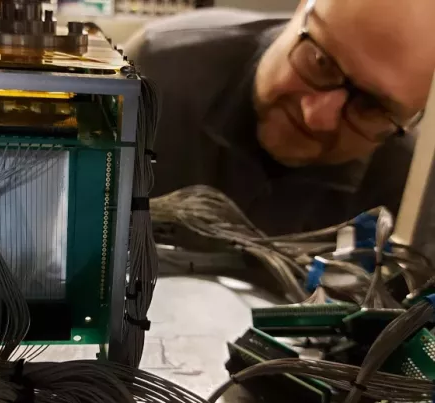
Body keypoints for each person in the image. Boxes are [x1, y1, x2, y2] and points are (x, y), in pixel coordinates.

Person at [125, 0, 435, 235]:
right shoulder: (157, 74)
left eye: (370, 106)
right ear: (300, 10)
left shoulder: (408, 193)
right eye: (320, 62)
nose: (315, 117)